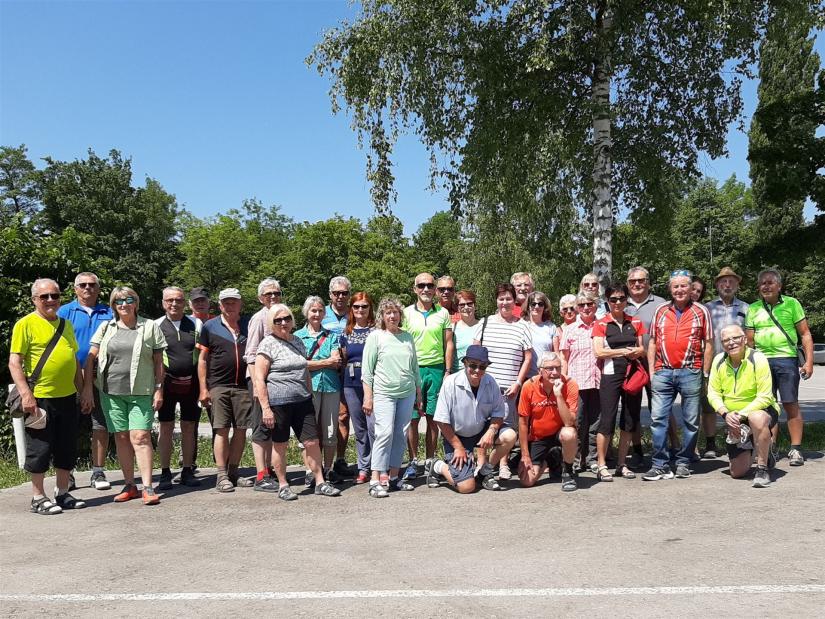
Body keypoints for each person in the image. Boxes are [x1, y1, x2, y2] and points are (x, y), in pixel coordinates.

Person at [82, 286, 166, 505]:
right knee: (120, 437)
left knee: (140, 436)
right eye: (118, 301)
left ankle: (148, 487)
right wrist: (88, 387)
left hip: (141, 391)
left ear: (136, 303)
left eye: (129, 300)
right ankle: (130, 485)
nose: (124, 304)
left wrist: (159, 388)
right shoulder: (106, 327)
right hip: (110, 392)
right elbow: (91, 357)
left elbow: (159, 361)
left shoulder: (150, 326)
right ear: (113, 305)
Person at [10, 279, 85, 514]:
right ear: (34, 300)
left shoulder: (66, 324)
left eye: (55, 295)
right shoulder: (25, 324)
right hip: (39, 398)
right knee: (40, 448)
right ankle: (38, 497)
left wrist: (83, 391)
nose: (51, 300)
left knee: (66, 447)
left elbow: (74, 360)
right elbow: (14, 362)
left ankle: (62, 493)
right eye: (44, 297)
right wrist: (26, 395)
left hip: (67, 397)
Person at [253, 303, 341, 501]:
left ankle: (320, 482)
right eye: (278, 320)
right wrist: (266, 409)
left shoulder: (298, 341)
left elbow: (304, 370)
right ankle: (283, 485)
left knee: (312, 442)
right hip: (279, 404)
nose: (283, 323)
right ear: (272, 323)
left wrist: (309, 394)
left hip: (303, 401)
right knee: (280, 445)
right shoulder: (267, 344)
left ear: (292, 320)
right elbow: (259, 379)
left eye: (287, 318)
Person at [643, 270, 713, 481]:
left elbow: (709, 343)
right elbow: (652, 342)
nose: (680, 290)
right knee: (658, 419)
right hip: (663, 371)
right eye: (676, 286)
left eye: (684, 286)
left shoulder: (701, 311)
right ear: (670, 289)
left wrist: (705, 373)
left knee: (691, 421)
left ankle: (684, 461)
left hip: (691, 371)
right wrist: (652, 372)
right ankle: (659, 464)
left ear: (691, 289)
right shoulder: (661, 310)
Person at [745, 268, 814, 466]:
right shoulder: (753, 308)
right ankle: (770, 447)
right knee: (767, 405)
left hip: (786, 360)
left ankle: (796, 449)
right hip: (761, 362)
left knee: (790, 403)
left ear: (779, 286)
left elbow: (805, 334)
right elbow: (749, 341)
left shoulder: (792, 304)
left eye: (770, 282)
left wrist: (809, 361)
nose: (766, 286)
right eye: (762, 283)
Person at [428, 345, 516, 492]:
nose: (477, 370)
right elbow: (441, 420)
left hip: (480, 431)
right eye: (473, 365)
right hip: (456, 436)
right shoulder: (450, 382)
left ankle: (485, 472)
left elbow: (499, 413)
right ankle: (437, 466)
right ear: (465, 363)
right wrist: (458, 447)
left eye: (482, 367)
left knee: (510, 436)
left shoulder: (491, 382)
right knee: (466, 487)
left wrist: (492, 431)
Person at [57, 272, 113, 491]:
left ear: (98, 289)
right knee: (68, 427)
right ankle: (67, 473)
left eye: (92, 284)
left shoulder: (109, 312)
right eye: (83, 285)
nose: (87, 288)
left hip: (102, 377)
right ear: (75, 289)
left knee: (101, 426)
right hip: (70, 377)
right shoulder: (64, 312)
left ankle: (98, 471)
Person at [362, 296, 423, 497]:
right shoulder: (375, 337)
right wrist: (368, 397)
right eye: (388, 312)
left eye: (395, 312)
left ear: (400, 315)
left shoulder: (407, 337)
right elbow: (367, 371)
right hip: (384, 393)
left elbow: (414, 367)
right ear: (382, 315)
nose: (392, 316)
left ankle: (394, 477)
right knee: (384, 433)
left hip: (407, 393)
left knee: (400, 434)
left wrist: (418, 393)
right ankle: (375, 479)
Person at [471, 282, 532, 480]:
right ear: (496, 301)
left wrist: (518, 382)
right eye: (501, 298)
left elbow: (528, 357)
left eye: (508, 298)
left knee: (505, 427)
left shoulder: (522, 326)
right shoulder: (485, 323)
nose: (505, 302)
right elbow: (475, 352)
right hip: (485, 385)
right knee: (483, 426)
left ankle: (501, 464)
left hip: (509, 388)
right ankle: (481, 464)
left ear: (514, 301)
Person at [708, 325, 778, 487]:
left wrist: (741, 415)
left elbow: (765, 396)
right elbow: (713, 393)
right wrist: (726, 414)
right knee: (737, 473)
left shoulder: (757, 358)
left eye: (735, 338)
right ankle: (758, 446)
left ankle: (762, 468)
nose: (731, 343)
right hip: (733, 416)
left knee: (756, 417)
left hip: (760, 411)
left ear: (745, 339)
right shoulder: (718, 360)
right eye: (726, 340)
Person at [197, 288, 253, 492]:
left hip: (243, 386)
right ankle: (221, 475)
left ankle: (233, 472)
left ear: (240, 304)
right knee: (221, 429)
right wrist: (203, 389)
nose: (230, 306)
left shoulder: (248, 324)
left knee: (241, 430)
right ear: (220, 305)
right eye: (226, 302)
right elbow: (202, 359)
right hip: (218, 385)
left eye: (233, 302)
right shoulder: (209, 326)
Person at [401, 273, 454, 480]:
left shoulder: (443, 313)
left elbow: (448, 343)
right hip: (413, 370)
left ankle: (430, 461)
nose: (426, 289)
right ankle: (414, 461)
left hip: (437, 369)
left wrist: (447, 371)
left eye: (430, 285)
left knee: (433, 418)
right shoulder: (406, 313)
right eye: (421, 285)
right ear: (414, 289)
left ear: (435, 289)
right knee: (413, 418)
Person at [591, 284, 646, 480]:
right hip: (610, 374)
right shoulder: (601, 323)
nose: (617, 302)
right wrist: (623, 351)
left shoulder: (635, 321)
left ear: (626, 300)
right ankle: (601, 464)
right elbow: (599, 352)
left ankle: (622, 463)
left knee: (629, 420)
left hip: (632, 374)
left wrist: (637, 351)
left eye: (621, 298)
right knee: (607, 420)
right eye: (613, 299)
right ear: (607, 301)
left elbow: (642, 349)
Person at [154, 286, 202, 489]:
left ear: (185, 303)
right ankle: (165, 472)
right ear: (163, 303)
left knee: (189, 427)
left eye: (179, 300)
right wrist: (157, 388)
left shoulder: (196, 323)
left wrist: (204, 386)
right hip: (166, 383)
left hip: (192, 383)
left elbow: (202, 356)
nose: (174, 304)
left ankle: (187, 470)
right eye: (170, 300)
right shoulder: (155, 325)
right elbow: (154, 358)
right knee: (165, 427)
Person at [702, 267, 749, 459]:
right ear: (717, 285)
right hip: (714, 362)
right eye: (723, 281)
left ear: (737, 284)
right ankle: (710, 444)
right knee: (709, 404)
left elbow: (750, 337)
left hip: (739, 362)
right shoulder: (707, 308)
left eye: (731, 281)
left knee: (739, 400)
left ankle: (741, 440)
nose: (727, 285)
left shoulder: (746, 308)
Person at [296, 296, 343, 484]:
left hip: (331, 386)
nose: (317, 314)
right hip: (307, 387)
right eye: (313, 310)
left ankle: (328, 469)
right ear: (306, 313)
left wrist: (314, 363)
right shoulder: (298, 336)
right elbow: (300, 364)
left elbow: (336, 361)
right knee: (308, 430)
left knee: (330, 430)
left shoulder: (331, 336)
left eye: (320, 310)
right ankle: (310, 470)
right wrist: (325, 362)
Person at [624, 266, 667, 467]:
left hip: (656, 364)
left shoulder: (660, 303)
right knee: (632, 411)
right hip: (630, 366)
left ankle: (666, 449)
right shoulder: (620, 303)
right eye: (633, 281)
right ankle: (638, 451)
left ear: (648, 282)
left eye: (641, 280)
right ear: (628, 284)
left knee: (659, 409)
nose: (637, 284)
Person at [517, 352, 579, 491]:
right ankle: (551, 459)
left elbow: (569, 422)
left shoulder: (570, 384)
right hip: (538, 437)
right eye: (549, 368)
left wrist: (558, 395)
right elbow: (523, 423)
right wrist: (525, 455)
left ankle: (568, 472)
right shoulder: (529, 386)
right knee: (527, 481)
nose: (555, 372)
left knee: (569, 434)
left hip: (560, 434)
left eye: (558, 368)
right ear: (540, 370)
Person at [242, 278, 282, 492]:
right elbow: (250, 355)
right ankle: (261, 475)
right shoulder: (259, 319)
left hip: (277, 381)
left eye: (276, 293)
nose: (273, 297)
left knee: (272, 425)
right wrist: (257, 385)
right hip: (260, 380)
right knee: (260, 426)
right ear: (260, 298)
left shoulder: (281, 316)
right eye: (268, 294)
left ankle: (269, 469)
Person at [559, 291, 600, 473]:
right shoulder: (570, 329)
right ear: (577, 308)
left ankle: (591, 458)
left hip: (598, 382)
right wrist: (563, 381)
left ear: (596, 306)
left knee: (596, 423)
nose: (586, 308)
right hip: (577, 382)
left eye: (589, 304)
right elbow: (564, 358)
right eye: (582, 305)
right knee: (577, 422)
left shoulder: (602, 326)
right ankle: (574, 459)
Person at [339, 292, 376, 484]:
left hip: (374, 383)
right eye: (356, 306)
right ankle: (363, 467)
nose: (360, 310)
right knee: (360, 428)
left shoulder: (377, 331)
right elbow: (343, 358)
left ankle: (378, 466)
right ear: (351, 309)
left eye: (364, 306)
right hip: (351, 382)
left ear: (370, 308)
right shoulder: (346, 332)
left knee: (374, 427)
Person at [322, 276, 354, 479]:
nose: (340, 296)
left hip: (349, 371)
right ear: (330, 295)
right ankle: (319, 463)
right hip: (326, 370)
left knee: (344, 416)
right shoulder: (321, 312)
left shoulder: (355, 313)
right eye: (336, 293)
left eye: (344, 293)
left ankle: (340, 459)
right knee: (323, 418)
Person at [522, 291, 558, 379]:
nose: (536, 307)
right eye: (533, 304)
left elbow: (556, 354)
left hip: (547, 376)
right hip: (526, 377)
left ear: (545, 307)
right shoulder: (522, 326)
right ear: (528, 306)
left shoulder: (551, 327)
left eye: (540, 304)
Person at [452, 290, 479, 372]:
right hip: (457, 374)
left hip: (478, 374)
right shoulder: (453, 328)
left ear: (475, 305)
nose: (466, 307)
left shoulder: (482, 326)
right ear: (457, 308)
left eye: (469, 304)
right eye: (462, 305)